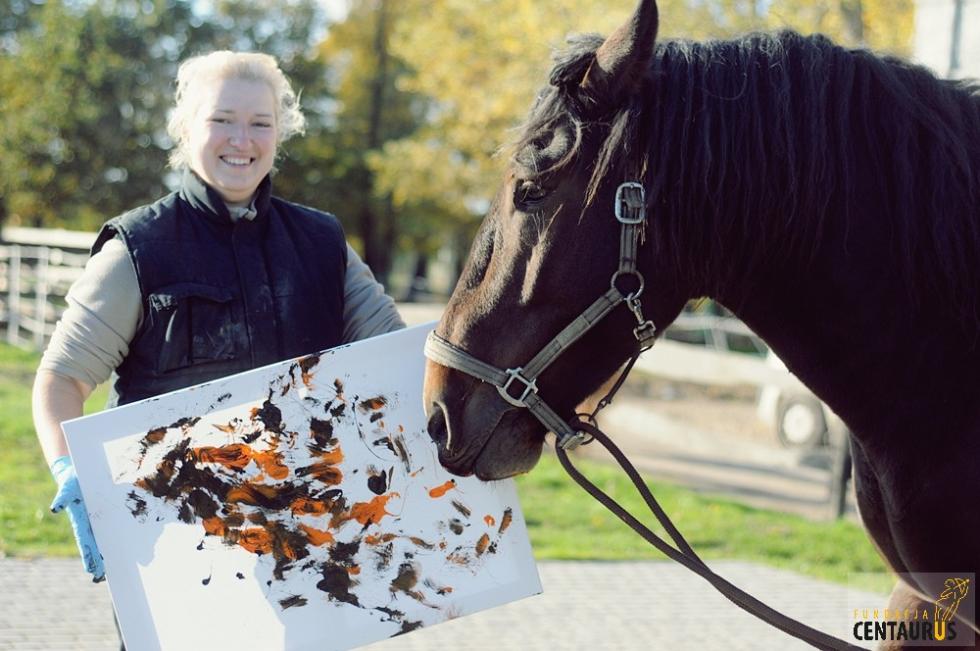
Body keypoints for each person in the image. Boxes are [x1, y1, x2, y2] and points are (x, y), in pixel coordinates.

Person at [32, 51, 404, 591]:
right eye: (222, 120)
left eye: (260, 124)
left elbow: (398, 354)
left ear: (281, 134)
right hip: (174, 538)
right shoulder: (137, 248)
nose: (242, 140)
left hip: (307, 540)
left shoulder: (324, 244)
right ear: (186, 128)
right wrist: (71, 470)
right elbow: (62, 379)